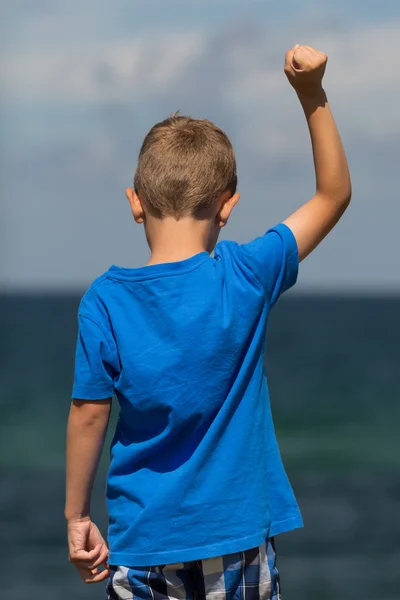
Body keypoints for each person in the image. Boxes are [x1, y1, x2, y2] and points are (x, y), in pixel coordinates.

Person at [65, 44, 351, 599]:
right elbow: (333, 194)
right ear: (227, 205)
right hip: (237, 542)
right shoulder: (246, 274)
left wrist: (78, 516)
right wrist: (311, 94)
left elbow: (87, 417)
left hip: (143, 546)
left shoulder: (104, 301)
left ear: (134, 202)